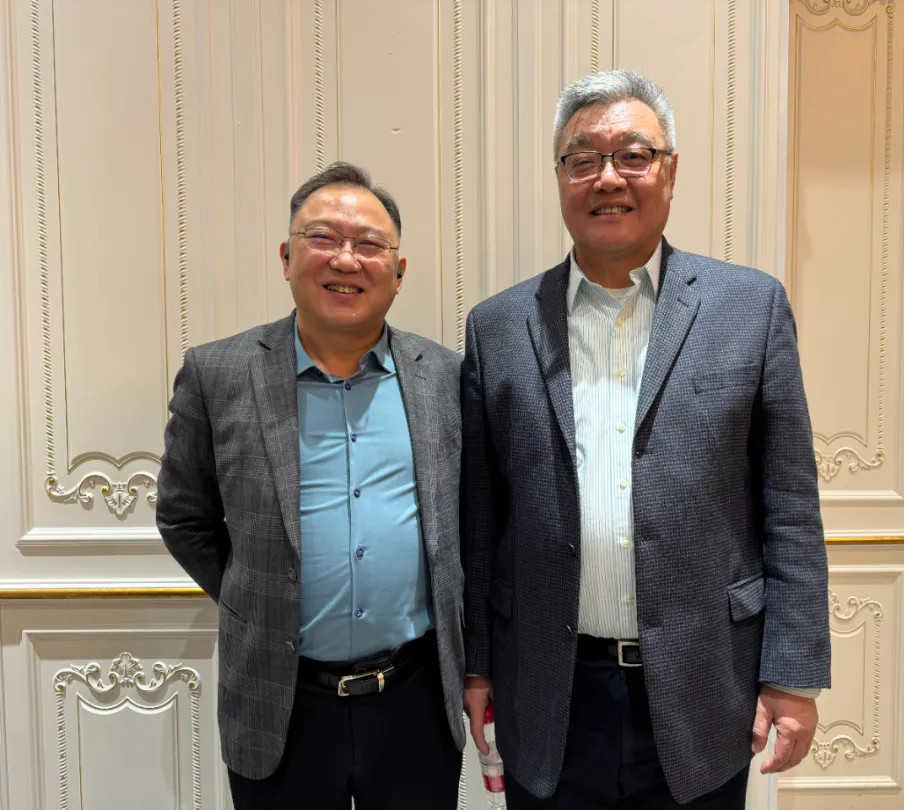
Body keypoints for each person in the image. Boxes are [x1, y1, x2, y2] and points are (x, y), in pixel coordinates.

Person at [460, 70, 830, 808]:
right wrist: (477, 665)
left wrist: (792, 676)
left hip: (705, 687)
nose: (608, 178)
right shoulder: (497, 327)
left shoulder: (749, 308)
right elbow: (480, 517)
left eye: (633, 155)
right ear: (560, 177)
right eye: (582, 159)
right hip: (547, 692)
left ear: (671, 171)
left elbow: (789, 505)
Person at [157, 162, 466, 809]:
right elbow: (184, 517)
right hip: (280, 701)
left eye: (370, 244)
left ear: (398, 271)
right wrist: (259, 597)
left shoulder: (445, 377)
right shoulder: (217, 374)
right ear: (286, 256)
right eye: (323, 237)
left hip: (414, 701)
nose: (346, 259)